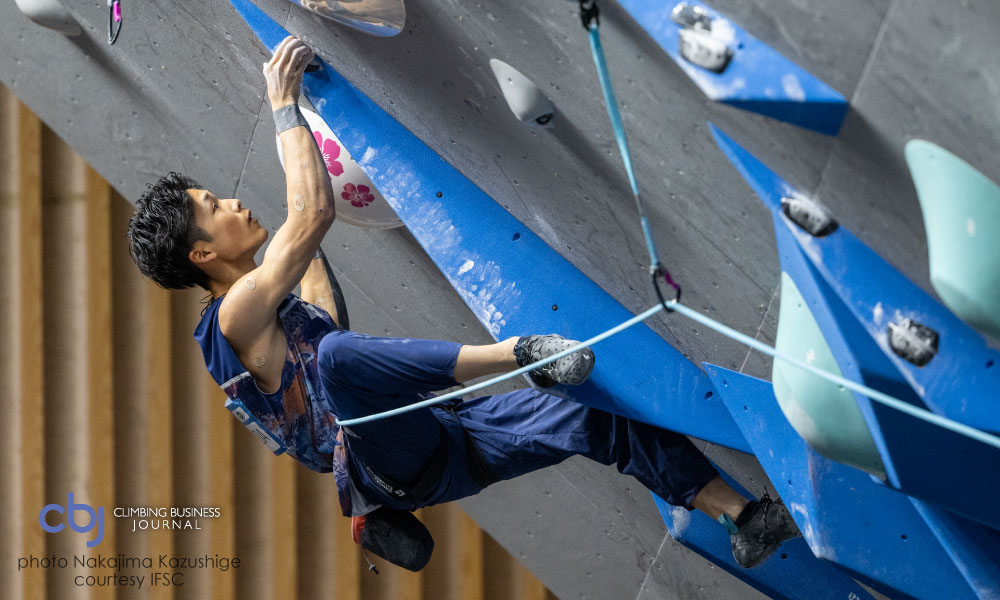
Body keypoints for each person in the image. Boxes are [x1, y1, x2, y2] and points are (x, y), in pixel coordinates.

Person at [126, 36, 799, 571]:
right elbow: (310, 218)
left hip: (444, 445)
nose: (233, 203)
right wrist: (286, 104)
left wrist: (306, 205)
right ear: (202, 256)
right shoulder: (230, 322)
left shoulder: (273, 322)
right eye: (214, 208)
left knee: (592, 410)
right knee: (338, 361)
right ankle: (520, 359)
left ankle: (743, 517)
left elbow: (315, 277)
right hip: (389, 457)